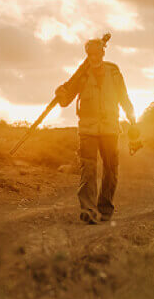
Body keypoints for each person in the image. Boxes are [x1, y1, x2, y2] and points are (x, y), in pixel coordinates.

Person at [55, 34, 136, 224]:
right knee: (88, 170)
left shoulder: (114, 71)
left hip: (110, 129)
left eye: (98, 53)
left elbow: (124, 97)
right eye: (90, 54)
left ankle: (105, 208)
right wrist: (60, 91)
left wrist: (132, 119)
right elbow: (65, 101)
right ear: (87, 54)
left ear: (103, 52)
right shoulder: (81, 75)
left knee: (110, 169)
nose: (94, 57)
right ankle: (88, 210)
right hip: (87, 130)